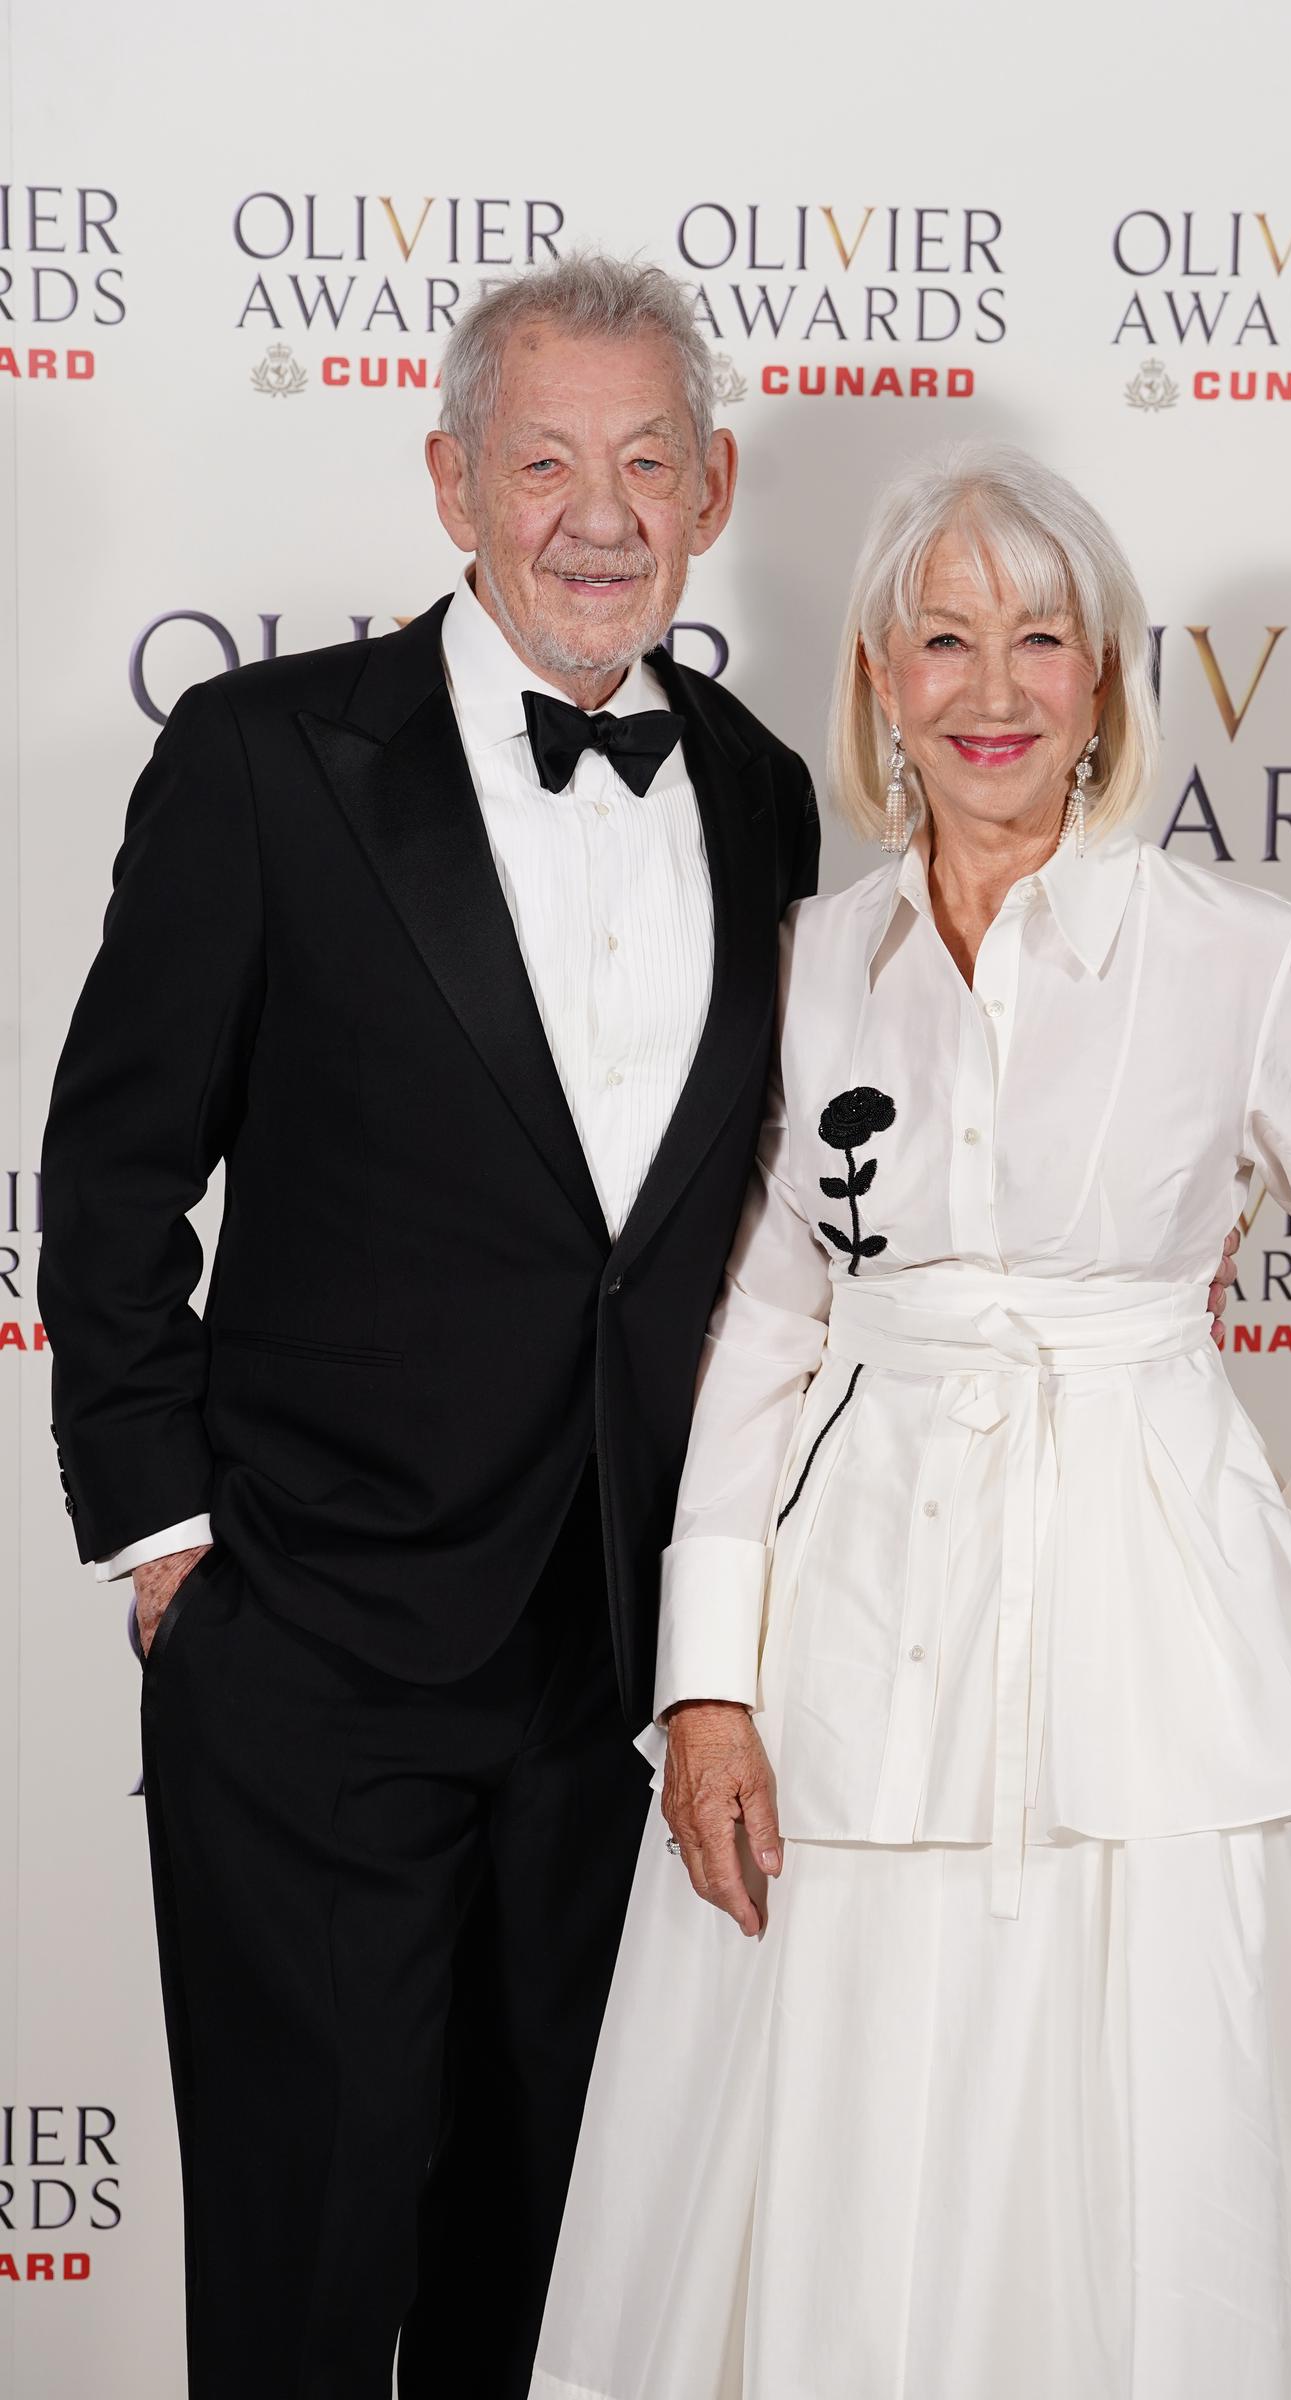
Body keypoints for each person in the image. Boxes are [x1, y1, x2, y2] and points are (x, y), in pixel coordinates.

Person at [530, 445, 1291, 2400]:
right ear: (880, 683)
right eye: (943, 642)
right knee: (841, 2097)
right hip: (850, 1646)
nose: (991, 690)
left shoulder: (1230, 961)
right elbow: (759, 1323)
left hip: (1162, 1657)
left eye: (1037, 641)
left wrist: (1286, 1566)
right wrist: (706, 1681)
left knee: (1171, 2115)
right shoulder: (806, 972)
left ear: (1103, 681)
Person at [38, 253, 827, 2400]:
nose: (597, 512)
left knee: (560, 2283)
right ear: (451, 482)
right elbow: (112, 1171)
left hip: (617, 1694)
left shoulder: (758, 789)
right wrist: (165, 1538)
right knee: (301, 2281)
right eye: (544, 459)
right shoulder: (267, 761)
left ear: (715, 486)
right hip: (310, 1656)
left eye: (644, 462)